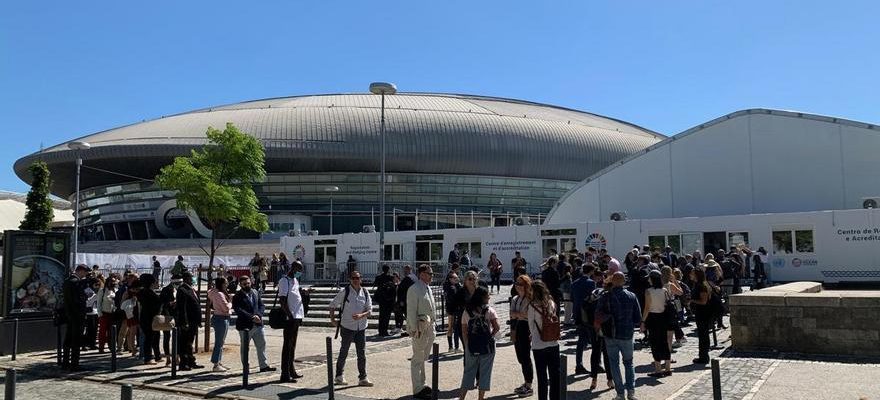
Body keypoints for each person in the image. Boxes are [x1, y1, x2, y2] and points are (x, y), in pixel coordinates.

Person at [598, 272, 642, 400]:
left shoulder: (605, 296)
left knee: (614, 364)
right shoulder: (631, 296)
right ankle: (631, 391)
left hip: (610, 334)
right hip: (627, 334)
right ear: (624, 281)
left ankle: (620, 393)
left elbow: (598, 314)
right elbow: (637, 318)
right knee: (629, 363)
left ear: (613, 280)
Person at [329, 271, 374, 386]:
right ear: (350, 279)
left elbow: (370, 310)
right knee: (344, 351)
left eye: (357, 278)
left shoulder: (365, 292)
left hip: (361, 327)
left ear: (361, 279)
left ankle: (363, 378)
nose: (355, 280)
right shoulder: (345, 291)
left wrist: (361, 316)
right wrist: (333, 320)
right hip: (347, 326)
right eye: (353, 278)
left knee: (362, 353)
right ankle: (339, 376)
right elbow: (333, 304)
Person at [459, 286, 498, 400]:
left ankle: (462, 397)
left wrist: (467, 345)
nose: (489, 297)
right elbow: (497, 327)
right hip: (487, 347)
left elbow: (464, 331)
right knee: (485, 373)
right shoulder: (489, 310)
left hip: (471, 346)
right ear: (483, 298)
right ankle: (480, 398)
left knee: (468, 372)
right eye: (487, 296)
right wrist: (489, 337)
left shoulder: (467, 311)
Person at [232, 275, 276, 373]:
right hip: (245, 326)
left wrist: (259, 315)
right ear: (240, 284)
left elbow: (261, 305)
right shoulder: (237, 296)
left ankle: (263, 365)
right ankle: (245, 367)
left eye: (248, 283)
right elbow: (239, 310)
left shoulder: (255, 292)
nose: (247, 285)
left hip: (258, 325)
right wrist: (252, 317)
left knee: (262, 345)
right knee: (245, 348)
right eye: (244, 284)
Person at [407, 264, 437, 400]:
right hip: (420, 328)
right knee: (417, 359)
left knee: (423, 358)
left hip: (429, 327)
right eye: (429, 273)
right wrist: (414, 330)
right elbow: (411, 311)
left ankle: (422, 384)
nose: (431, 276)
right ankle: (417, 388)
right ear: (421, 274)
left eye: (431, 273)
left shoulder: (427, 287)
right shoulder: (414, 289)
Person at [527, 281, 560, 400]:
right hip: (553, 342)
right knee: (555, 375)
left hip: (538, 344)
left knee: (542, 377)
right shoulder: (551, 303)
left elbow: (531, 325)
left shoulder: (532, 306)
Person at [641, 270, 672, 377]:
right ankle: (668, 368)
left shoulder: (648, 291)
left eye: (649, 278)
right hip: (663, 317)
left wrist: (643, 321)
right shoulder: (664, 290)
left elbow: (647, 307)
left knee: (654, 343)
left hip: (653, 318)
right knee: (664, 342)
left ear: (652, 279)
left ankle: (658, 370)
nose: (648, 279)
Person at [278, 261, 305, 382]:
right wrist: (289, 315)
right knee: (287, 346)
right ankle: (285, 374)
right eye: (299, 269)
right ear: (293, 268)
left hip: (297, 316)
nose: (300, 272)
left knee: (292, 346)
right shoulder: (284, 281)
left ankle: (291, 370)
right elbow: (282, 300)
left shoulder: (295, 280)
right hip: (290, 318)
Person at [586, 270, 613, 391]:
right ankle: (610, 380)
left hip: (594, 326)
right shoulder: (609, 296)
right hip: (606, 326)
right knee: (607, 354)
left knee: (595, 353)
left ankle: (594, 379)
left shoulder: (594, 292)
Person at [510, 275, 534, 397]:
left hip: (526, 329)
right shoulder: (515, 298)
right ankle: (526, 383)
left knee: (525, 357)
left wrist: (518, 315)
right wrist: (520, 315)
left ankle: (529, 385)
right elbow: (512, 315)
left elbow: (528, 316)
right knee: (520, 357)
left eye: (520, 284)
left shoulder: (530, 299)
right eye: (516, 283)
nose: (517, 286)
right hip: (516, 328)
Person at [62, 264, 89, 371]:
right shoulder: (76, 282)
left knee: (68, 339)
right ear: (81, 271)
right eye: (85, 272)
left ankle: (65, 362)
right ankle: (74, 364)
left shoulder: (67, 281)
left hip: (69, 314)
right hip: (77, 315)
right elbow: (78, 300)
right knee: (76, 340)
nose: (86, 275)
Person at [571, 263, 596, 375]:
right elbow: (593, 299)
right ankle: (596, 364)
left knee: (581, 340)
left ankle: (579, 364)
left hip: (577, 313)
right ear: (591, 271)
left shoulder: (574, 283)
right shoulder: (591, 283)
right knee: (594, 340)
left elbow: (572, 298)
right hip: (588, 314)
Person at [176, 271, 203, 370]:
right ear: (187, 278)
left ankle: (191, 361)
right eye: (192, 277)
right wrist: (184, 322)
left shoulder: (191, 289)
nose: (193, 279)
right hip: (187, 322)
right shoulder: (182, 290)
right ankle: (184, 363)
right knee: (184, 343)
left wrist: (198, 321)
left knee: (190, 342)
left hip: (194, 321)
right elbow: (182, 308)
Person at [208, 277, 233, 372]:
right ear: (222, 284)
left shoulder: (214, 292)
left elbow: (209, 292)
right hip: (221, 318)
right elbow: (226, 307)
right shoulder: (219, 294)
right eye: (225, 283)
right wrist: (230, 303)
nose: (227, 285)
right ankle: (215, 364)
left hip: (219, 317)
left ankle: (218, 361)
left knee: (221, 342)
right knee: (219, 342)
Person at [138, 274, 163, 365]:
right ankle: (148, 358)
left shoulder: (145, 292)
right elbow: (155, 304)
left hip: (148, 317)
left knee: (155, 337)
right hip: (149, 318)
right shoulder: (148, 293)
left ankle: (157, 355)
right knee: (149, 338)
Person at [690, 267, 713, 364]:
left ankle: (704, 356)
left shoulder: (702, 286)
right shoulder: (699, 284)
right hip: (701, 313)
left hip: (703, 313)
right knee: (703, 335)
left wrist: (692, 300)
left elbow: (703, 301)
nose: (690, 275)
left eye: (692, 273)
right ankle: (703, 355)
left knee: (703, 335)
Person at [160, 274, 181, 366]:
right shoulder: (165, 290)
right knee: (166, 337)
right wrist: (171, 303)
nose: (179, 284)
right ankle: (168, 357)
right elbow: (162, 303)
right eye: (177, 283)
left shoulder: (179, 289)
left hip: (177, 315)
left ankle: (177, 357)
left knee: (177, 337)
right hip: (167, 316)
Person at [96, 276, 118, 353]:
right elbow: (98, 303)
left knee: (111, 332)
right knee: (102, 332)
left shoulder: (116, 290)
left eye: (114, 281)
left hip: (113, 314)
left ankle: (111, 347)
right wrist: (100, 314)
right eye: (111, 281)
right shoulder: (102, 290)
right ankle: (101, 347)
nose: (113, 283)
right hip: (104, 314)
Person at [374, 264, 396, 337]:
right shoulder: (390, 277)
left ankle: (381, 330)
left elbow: (374, 285)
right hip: (388, 299)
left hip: (381, 299)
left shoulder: (378, 277)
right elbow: (393, 287)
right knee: (387, 316)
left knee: (382, 315)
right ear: (388, 270)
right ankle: (384, 331)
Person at [443, 271, 463, 352]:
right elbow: (456, 298)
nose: (457, 279)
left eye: (457, 277)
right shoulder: (452, 288)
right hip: (454, 310)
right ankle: (456, 347)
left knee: (450, 328)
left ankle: (450, 347)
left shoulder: (448, 286)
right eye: (455, 278)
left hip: (450, 309)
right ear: (450, 279)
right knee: (456, 329)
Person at [397, 265, 416, 337]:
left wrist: (400, 301)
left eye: (405, 270)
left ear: (408, 270)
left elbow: (401, 289)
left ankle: (409, 330)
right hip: (413, 300)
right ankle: (410, 330)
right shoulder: (415, 277)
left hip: (407, 301)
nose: (404, 272)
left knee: (408, 316)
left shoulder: (408, 278)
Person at [83, 278, 100, 351]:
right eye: (96, 284)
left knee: (94, 329)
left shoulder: (96, 291)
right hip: (88, 312)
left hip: (95, 311)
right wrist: (94, 297)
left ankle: (92, 344)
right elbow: (87, 301)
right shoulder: (87, 290)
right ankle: (84, 344)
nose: (97, 286)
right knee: (88, 330)